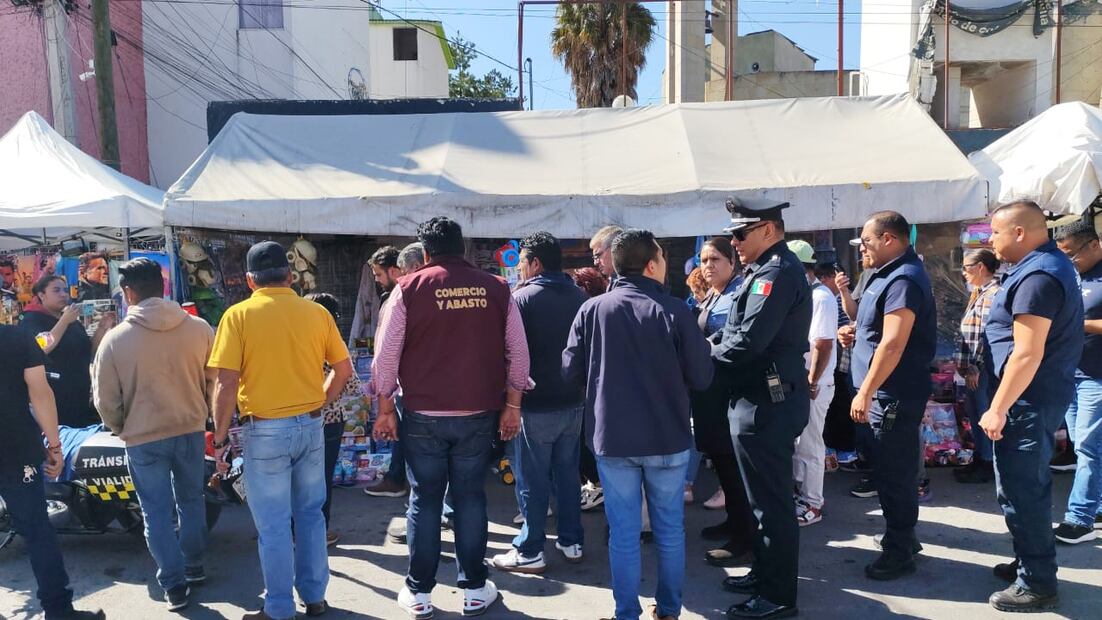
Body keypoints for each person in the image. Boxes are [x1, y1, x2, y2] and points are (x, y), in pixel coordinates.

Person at [370, 217, 528, 619]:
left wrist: (385, 408)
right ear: (463, 248)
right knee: (470, 497)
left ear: (424, 253)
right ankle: (475, 588)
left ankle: (419, 592)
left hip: (423, 413)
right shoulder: (497, 287)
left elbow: (385, 359)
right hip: (479, 412)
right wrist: (512, 405)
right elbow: (519, 354)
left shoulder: (408, 289)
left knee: (424, 499)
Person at [563, 229, 712, 620]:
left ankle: (625, 613)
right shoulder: (676, 310)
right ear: (651, 264)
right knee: (669, 531)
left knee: (624, 535)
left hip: (614, 438)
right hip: (668, 437)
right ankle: (668, 610)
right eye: (662, 258)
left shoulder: (592, 310)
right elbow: (702, 375)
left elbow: (569, 371)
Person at [208, 241, 353, 620]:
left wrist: (220, 438)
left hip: (265, 430)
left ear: (251, 281)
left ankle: (279, 608)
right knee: (311, 515)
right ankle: (314, 596)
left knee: (273, 525)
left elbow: (225, 383)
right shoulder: (316, 313)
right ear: (290, 276)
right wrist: (319, 401)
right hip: (310, 425)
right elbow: (343, 369)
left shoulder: (237, 316)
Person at [91, 258, 215, 611]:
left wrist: (120, 427)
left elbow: (105, 400)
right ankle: (194, 566)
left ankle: (174, 585)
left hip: (142, 436)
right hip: (190, 428)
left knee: (156, 513)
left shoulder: (114, 341)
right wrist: (205, 415)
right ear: (163, 288)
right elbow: (214, 381)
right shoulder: (199, 328)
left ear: (128, 292)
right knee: (191, 501)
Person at [979, 201, 1083, 612]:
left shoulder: (1039, 275)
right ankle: (1028, 561)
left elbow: (1026, 353)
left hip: (1026, 401)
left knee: (1023, 491)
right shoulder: (1041, 266)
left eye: (996, 233)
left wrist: (998, 407)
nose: (991, 241)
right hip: (1031, 398)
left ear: (1019, 233)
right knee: (1021, 487)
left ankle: (1037, 583)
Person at [711, 198, 810, 620]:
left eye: (740, 234)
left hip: (767, 403)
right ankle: (764, 573)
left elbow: (747, 343)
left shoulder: (776, 274)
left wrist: (701, 355)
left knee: (772, 504)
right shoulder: (762, 272)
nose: (734, 243)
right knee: (760, 503)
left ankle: (777, 596)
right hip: (757, 398)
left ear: (768, 229)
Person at [838, 211, 936, 583]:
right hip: (881, 392)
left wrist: (866, 390)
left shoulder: (904, 278)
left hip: (891, 395)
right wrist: (853, 333)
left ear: (889, 239)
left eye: (866, 241)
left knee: (895, 474)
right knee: (890, 469)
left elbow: (894, 344)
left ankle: (899, 551)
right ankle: (904, 539)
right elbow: (875, 328)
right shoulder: (880, 274)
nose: (862, 248)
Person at [492, 232, 587, 575]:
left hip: (534, 404)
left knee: (532, 479)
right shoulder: (579, 295)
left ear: (535, 263)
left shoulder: (522, 299)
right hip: (573, 401)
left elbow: (510, 353)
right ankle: (571, 539)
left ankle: (531, 548)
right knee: (567, 473)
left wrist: (509, 401)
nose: (519, 269)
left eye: (522, 262)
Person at [0, 324, 106, 620]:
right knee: (36, 531)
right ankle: (59, 610)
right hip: (17, 448)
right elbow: (40, 393)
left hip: (17, 449)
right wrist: (55, 446)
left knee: (37, 531)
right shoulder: (16, 337)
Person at [689, 237, 756, 568]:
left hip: (728, 392)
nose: (708, 265)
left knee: (733, 465)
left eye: (715, 258)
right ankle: (734, 521)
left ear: (733, 262)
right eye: (704, 259)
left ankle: (745, 538)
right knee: (722, 463)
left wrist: (701, 346)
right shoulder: (714, 294)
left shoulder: (737, 295)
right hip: (709, 391)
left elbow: (732, 339)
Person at [1052, 220, 1102, 544]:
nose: (1069, 262)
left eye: (1072, 255)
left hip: (1097, 376)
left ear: (1094, 245)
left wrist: (1080, 326)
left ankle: (1080, 517)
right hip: (1072, 372)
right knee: (1085, 443)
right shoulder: (1076, 276)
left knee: (1086, 446)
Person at [304, 293, 367, 547]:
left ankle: (295, 530)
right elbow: (352, 384)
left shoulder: (296, 339)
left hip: (296, 415)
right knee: (321, 479)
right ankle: (318, 531)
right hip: (328, 419)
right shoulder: (331, 341)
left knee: (298, 478)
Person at [20, 275, 114, 427]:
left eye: (65, 290)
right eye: (56, 290)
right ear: (42, 295)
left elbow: (88, 351)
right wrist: (64, 321)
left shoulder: (71, 322)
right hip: (53, 401)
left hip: (78, 398)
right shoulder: (32, 320)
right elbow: (41, 347)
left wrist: (102, 328)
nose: (63, 294)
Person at [788, 240, 838, 527]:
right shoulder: (806, 295)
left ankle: (812, 503)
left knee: (809, 445)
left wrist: (812, 380)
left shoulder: (820, 298)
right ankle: (804, 495)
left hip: (815, 383)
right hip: (806, 381)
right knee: (801, 443)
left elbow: (822, 344)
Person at [362, 244, 411, 499]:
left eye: (380, 275)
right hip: (404, 382)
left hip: (402, 383)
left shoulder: (400, 298)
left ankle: (397, 479)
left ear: (394, 271)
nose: (378, 281)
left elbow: (389, 350)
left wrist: (384, 403)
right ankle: (397, 477)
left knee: (404, 433)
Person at [953, 249, 1001, 485]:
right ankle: (981, 458)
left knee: (984, 415)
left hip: (981, 370)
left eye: (967, 267)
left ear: (981, 267)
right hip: (975, 369)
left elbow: (988, 336)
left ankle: (987, 462)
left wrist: (976, 366)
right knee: (976, 414)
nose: (963, 273)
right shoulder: (980, 293)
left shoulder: (992, 294)